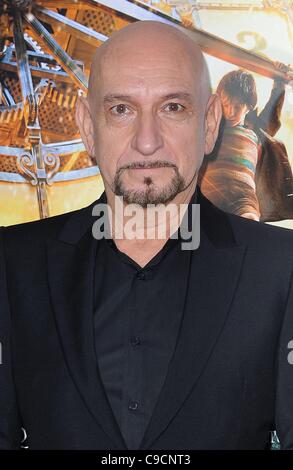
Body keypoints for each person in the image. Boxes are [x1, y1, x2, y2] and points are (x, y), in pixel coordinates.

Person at [0, 20, 293, 450]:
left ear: (210, 123)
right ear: (87, 125)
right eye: (121, 109)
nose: (147, 141)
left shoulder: (282, 269)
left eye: (173, 107)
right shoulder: (11, 264)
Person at [198, 67, 293, 222]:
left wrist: (280, 83)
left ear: (249, 107)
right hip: (211, 191)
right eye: (225, 105)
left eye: (237, 107)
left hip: (243, 195)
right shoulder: (211, 126)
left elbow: (272, 111)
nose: (230, 112)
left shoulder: (254, 131)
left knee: (251, 223)